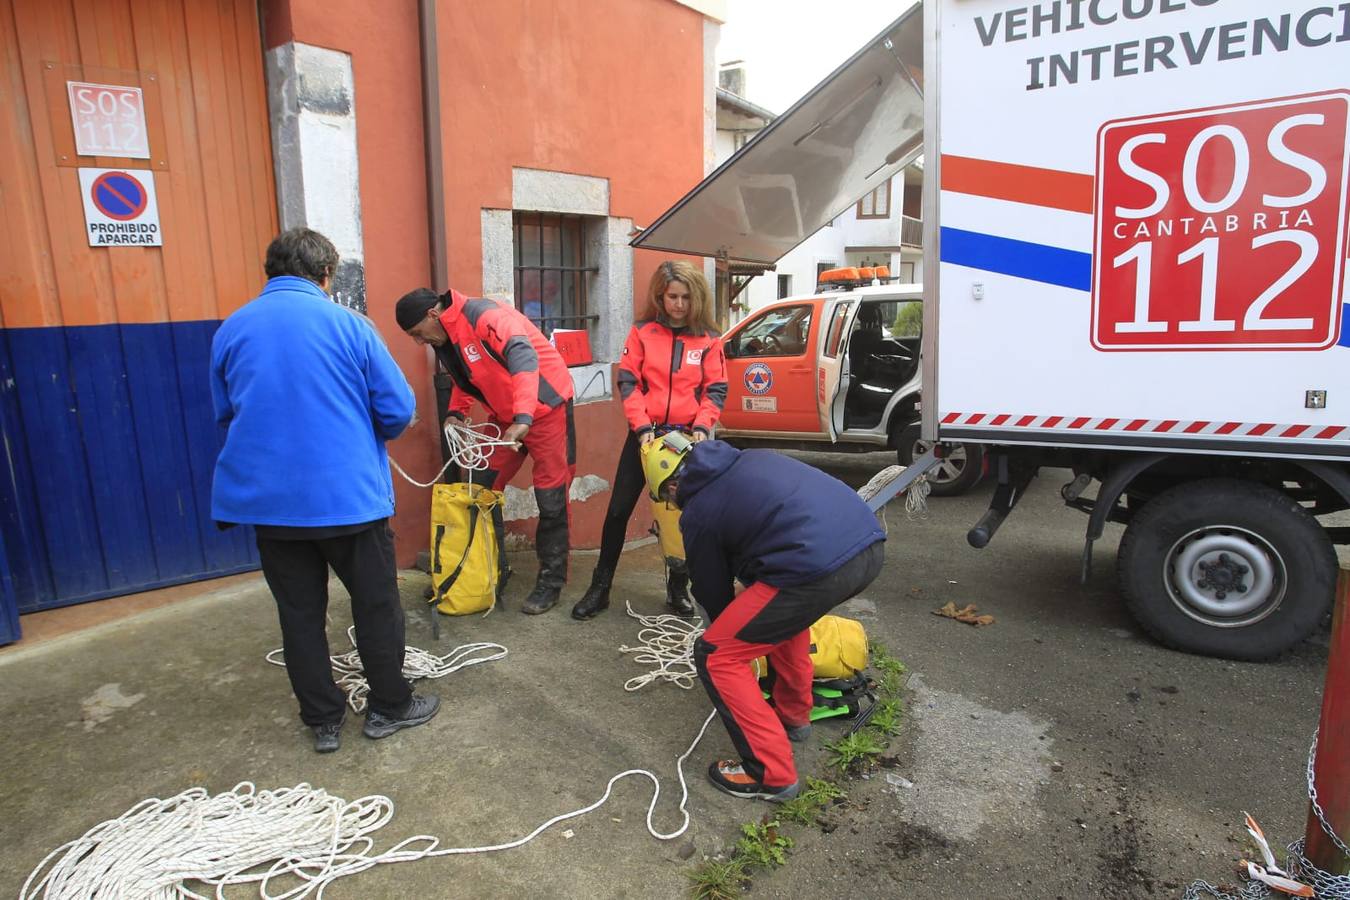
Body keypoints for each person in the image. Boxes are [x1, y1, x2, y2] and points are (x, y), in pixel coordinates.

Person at [211, 227, 439, 754]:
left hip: (271, 504)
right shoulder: (350, 325)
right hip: (348, 500)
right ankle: (389, 707)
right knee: (376, 605)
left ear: (269, 272)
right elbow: (399, 410)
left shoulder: (231, 330)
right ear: (326, 274)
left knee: (299, 614)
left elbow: (225, 412)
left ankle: (322, 720)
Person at [643, 433, 885, 802]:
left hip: (814, 565)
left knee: (717, 655)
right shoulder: (749, 459)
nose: (673, 508)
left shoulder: (700, 510)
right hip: (866, 547)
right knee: (778, 617)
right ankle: (793, 717)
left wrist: (729, 635)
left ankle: (769, 774)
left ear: (674, 484)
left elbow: (712, 593)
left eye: (668, 500)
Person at [395, 287, 576, 615]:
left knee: (551, 498)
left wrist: (523, 416)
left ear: (432, 315)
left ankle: (552, 581)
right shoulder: (445, 333)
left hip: (546, 410)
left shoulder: (484, 316)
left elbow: (523, 355)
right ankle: (481, 570)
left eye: (418, 334)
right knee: (478, 491)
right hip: (507, 416)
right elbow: (468, 373)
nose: (419, 342)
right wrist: (457, 411)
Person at [571, 261, 727, 621]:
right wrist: (641, 428)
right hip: (645, 437)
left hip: (687, 441)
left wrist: (702, 428)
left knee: (682, 516)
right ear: (660, 295)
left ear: (697, 298)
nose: (679, 304)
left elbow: (714, 390)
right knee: (617, 512)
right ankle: (600, 587)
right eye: (673, 296)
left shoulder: (708, 339)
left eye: (687, 297)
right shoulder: (642, 332)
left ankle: (677, 588)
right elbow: (629, 383)